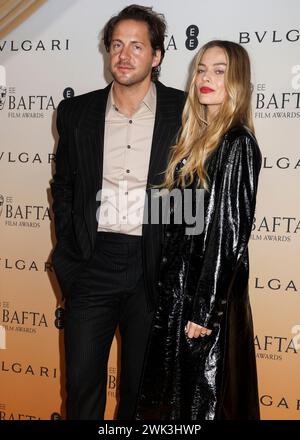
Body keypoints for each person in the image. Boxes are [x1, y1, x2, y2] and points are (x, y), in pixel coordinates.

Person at [51, 4, 185, 420]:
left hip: (154, 268)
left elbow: (194, 196)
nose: (124, 55)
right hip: (92, 264)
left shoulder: (185, 113)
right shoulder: (76, 112)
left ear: (157, 56)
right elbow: (65, 189)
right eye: (116, 45)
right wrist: (71, 261)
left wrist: (176, 268)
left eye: (137, 46)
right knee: (80, 388)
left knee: (141, 396)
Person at [136, 40, 261, 420]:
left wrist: (205, 311)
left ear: (236, 80)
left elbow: (228, 236)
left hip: (202, 307)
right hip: (176, 295)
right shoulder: (193, 141)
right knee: (170, 408)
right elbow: (177, 221)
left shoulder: (236, 143)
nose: (206, 78)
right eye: (202, 69)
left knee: (201, 406)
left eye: (219, 71)